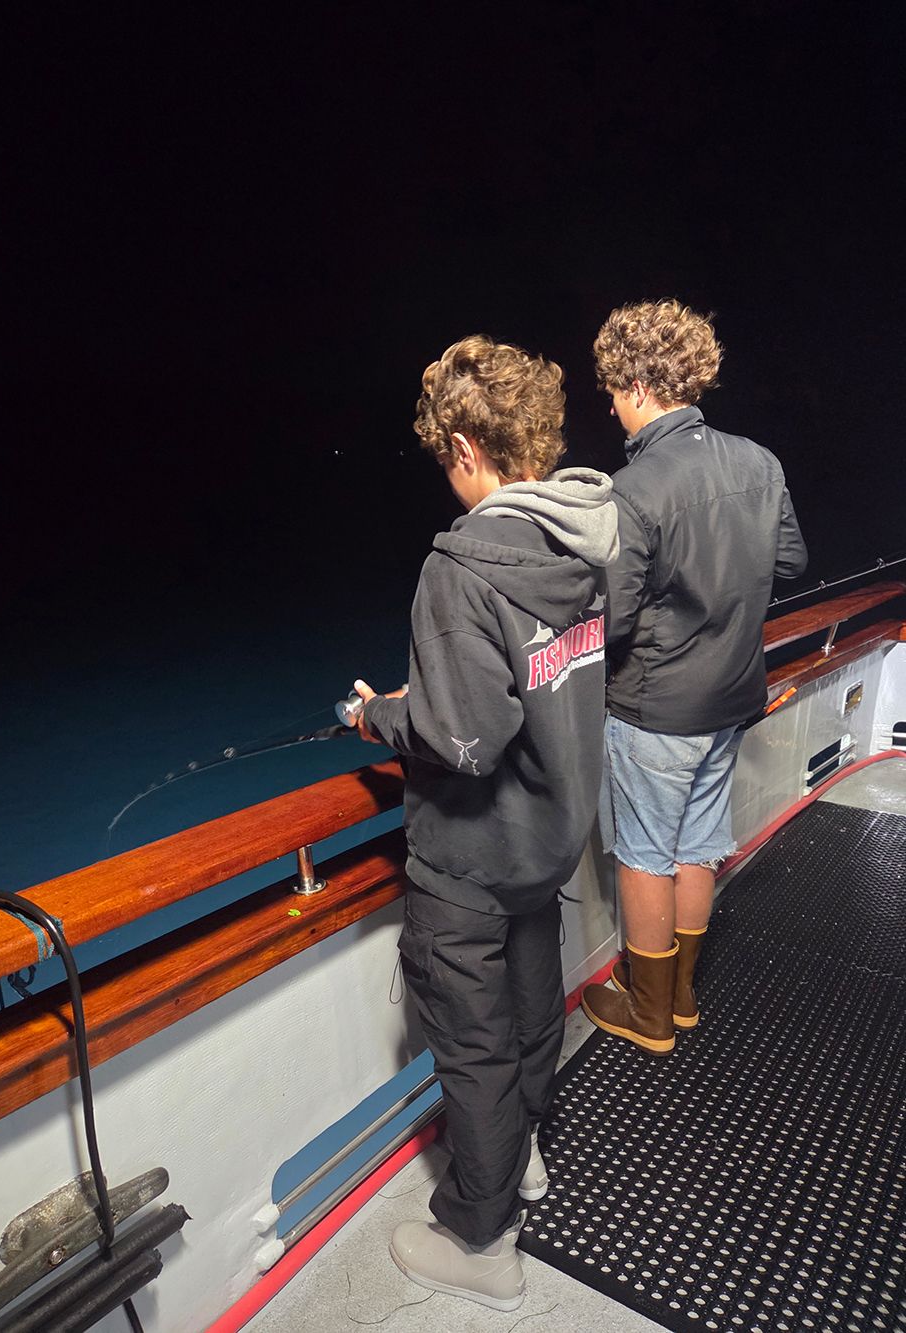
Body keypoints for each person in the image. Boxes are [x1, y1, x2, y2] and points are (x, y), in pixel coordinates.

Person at [349, 334, 619, 1311]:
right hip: (547, 842)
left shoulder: (461, 569)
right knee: (529, 1018)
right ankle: (522, 1158)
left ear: (465, 445)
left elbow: (462, 740)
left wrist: (380, 713)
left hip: (469, 859)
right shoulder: (587, 537)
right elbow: (537, 678)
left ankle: (479, 1235)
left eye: (442, 456)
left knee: (473, 1047)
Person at [581, 299, 808, 1055]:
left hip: (656, 710)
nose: (611, 406)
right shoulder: (759, 461)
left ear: (641, 385)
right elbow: (788, 565)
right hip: (731, 699)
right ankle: (679, 996)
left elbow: (611, 619)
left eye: (613, 390)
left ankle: (648, 1014)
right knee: (698, 845)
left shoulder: (632, 489)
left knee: (645, 854)